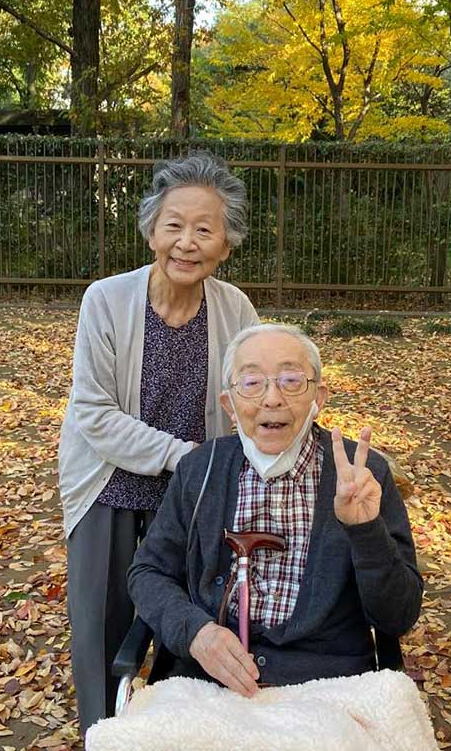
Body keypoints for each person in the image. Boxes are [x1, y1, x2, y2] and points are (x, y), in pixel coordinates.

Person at [58, 153, 259, 735]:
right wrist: (183, 456)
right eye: (174, 225)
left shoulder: (236, 308)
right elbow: (93, 413)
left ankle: (180, 730)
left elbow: (251, 396)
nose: (186, 242)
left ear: (226, 242)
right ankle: (103, 733)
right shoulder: (106, 299)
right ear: (151, 229)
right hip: (109, 481)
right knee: (102, 622)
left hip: (194, 493)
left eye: (205, 228)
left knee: (193, 619)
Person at [127, 324, 422, 696]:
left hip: (330, 689)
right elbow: (148, 572)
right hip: (207, 684)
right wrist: (196, 633)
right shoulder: (200, 470)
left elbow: (398, 616)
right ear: (229, 405)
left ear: (319, 397)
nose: (272, 398)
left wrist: (365, 532)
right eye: (251, 383)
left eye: (291, 380)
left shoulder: (363, 474)